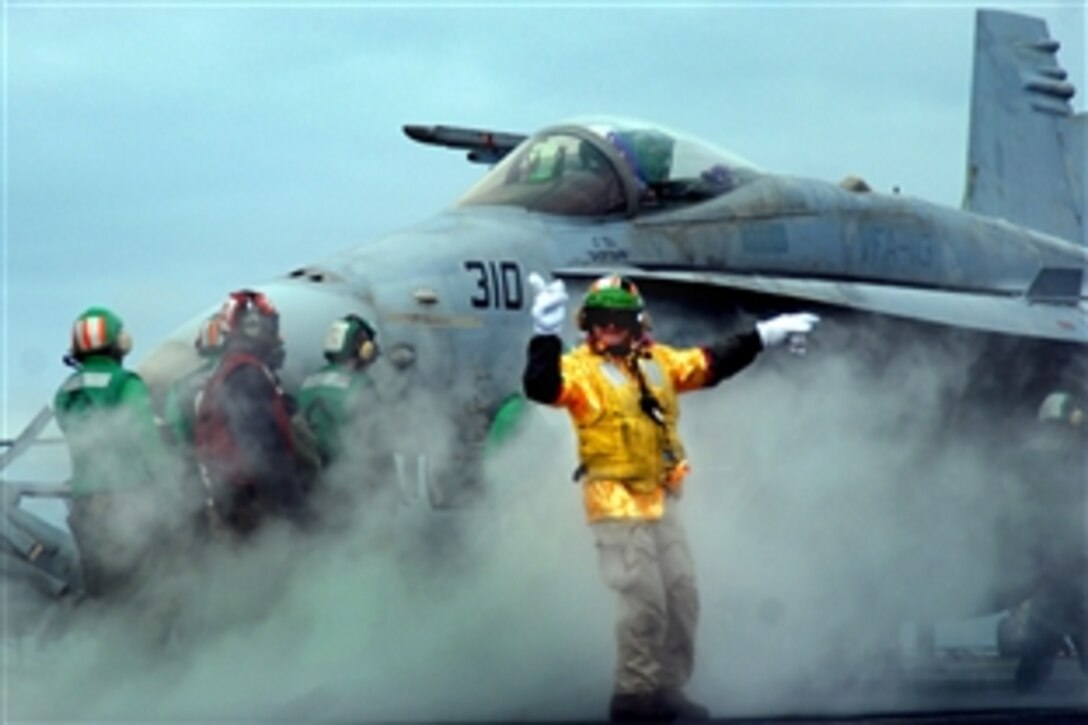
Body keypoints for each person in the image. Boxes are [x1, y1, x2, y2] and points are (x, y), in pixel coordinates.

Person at [522, 273, 819, 722]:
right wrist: (543, 335)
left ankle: (667, 689)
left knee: (683, 597)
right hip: (614, 502)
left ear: (636, 321)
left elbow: (709, 364)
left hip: (661, 499)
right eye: (601, 318)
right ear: (588, 323)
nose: (610, 327)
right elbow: (541, 387)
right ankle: (632, 700)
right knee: (644, 599)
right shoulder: (580, 371)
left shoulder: (658, 363)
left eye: (619, 317)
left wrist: (763, 336)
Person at [53, 306, 180, 599]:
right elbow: (146, 442)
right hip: (127, 502)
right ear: (118, 343)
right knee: (140, 589)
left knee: (101, 593)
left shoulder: (66, 391)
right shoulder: (127, 384)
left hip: (84, 506)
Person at [193, 290, 308, 535]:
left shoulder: (227, 370)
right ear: (253, 328)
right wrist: (297, 512)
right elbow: (264, 450)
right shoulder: (248, 374)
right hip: (256, 506)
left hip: (234, 501)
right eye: (270, 325)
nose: (274, 335)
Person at [1009, 390, 1087, 692]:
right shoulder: (1055, 457)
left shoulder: (1031, 454)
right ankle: (1027, 684)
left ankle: (1027, 685)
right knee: (1062, 619)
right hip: (1060, 558)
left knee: (1051, 622)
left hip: (1055, 560)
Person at [296, 314, 389, 522]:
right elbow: (376, 445)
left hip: (315, 489)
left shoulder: (308, 383)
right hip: (350, 490)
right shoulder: (361, 387)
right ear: (362, 348)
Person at [162, 314, 228, 534]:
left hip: (196, 490)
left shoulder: (179, 388)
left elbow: (176, 437)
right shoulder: (244, 380)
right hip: (235, 488)